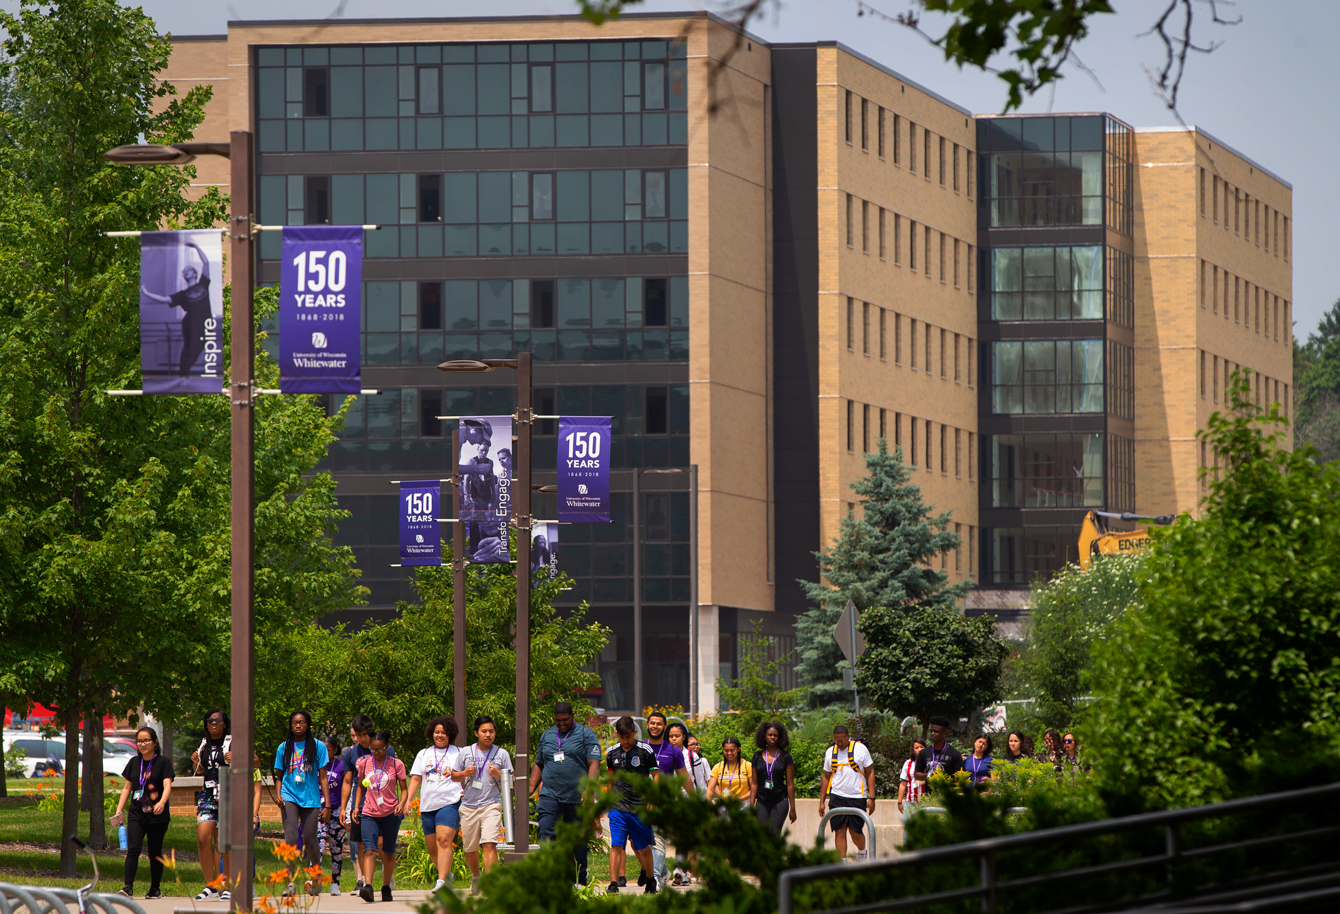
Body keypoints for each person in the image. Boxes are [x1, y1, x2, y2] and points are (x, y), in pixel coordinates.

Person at [529, 703, 602, 887]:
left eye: (565, 720)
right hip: (550, 794)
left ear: (573, 716)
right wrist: (531, 787)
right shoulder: (547, 735)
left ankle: (579, 879)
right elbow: (539, 763)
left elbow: (594, 763)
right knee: (546, 831)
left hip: (578, 797)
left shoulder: (586, 734)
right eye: (557, 720)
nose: (561, 724)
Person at [452, 715, 513, 895]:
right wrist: (464, 772)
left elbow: (511, 782)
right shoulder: (465, 752)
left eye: (491, 731)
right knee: (470, 849)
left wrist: (499, 775)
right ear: (476, 732)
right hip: (469, 806)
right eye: (484, 731)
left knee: (489, 844)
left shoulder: (502, 754)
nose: (488, 735)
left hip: (491, 804)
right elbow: (453, 776)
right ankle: (476, 877)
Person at [110, 727, 173, 899]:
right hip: (137, 813)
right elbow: (127, 787)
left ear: (155, 742)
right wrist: (119, 808)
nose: (142, 744)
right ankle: (128, 887)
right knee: (134, 849)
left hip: (157, 814)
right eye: (139, 741)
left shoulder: (163, 762)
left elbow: (167, 786)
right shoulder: (134, 762)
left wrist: (161, 802)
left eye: (146, 740)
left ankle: (155, 889)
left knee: (155, 852)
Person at [339, 714, 397, 895]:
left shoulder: (386, 749)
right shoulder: (351, 753)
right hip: (362, 805)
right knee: (363, 845)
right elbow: (348, 781)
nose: (363, 739)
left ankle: (386, 874)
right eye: (359, 735)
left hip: (384, 806)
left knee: (381, 844)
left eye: (366, 734)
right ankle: (366, 883)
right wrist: (343, 808)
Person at [273, 709, 331, 888]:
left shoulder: (318, 746)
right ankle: (290, 882)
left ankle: (316, 875)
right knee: (290, 838)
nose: (298, 725)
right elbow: (279, 776)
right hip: (289, 796)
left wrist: (327, 805)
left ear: (308, 725)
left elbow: (323, 777)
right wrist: (279, 794)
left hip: (311, 798)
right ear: (290, 726)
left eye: (302, 722)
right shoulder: (283, 747)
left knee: (310, 841)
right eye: (295, 723)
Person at [406, 716, 463, 893]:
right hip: (428, 806)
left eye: (444, 733)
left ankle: (442, 881)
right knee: (432, 848)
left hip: (450, 802)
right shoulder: (423, 754)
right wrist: (408, 800)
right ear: (432, 733)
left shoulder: (459, 753)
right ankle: (447, 874)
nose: (440, 735)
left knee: (444, 841)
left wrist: (465, 792)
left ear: (450, 734)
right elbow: (416, 778)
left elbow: (467, 774)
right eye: (437, 732)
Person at [604, 716, 659, 895]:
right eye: (621, 737)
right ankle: (613, 884)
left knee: (642, 847)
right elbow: (610, 781)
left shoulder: (645, 751)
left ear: (634, 733)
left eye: (628, 736)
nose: (625, 741)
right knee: (616, 845)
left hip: (639, 807)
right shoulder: (611, 753)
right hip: (618, 807)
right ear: (616, 735)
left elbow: (656, 777)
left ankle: (651, 881)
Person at [140, 238, 212, 375]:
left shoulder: (203, 284)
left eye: (188, 270)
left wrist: (196, 246)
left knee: (199, 347)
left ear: (194, 274)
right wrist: (147, 293)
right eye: (184, 271)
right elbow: (164, 300)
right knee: (188, 348)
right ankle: (183, 375)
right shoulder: (183, 295)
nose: (185, 271)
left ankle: (185, 372)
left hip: (205, 322)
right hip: (190, 323)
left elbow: (206, 263)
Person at [354, 731, 407, 903]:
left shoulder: (396, 764)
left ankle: (386, 887)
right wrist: (356, 807)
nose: (376, 753)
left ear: (387, 747)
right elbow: (361, 786)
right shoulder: (364, 763)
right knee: (370, 850)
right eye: (373, 749)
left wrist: (402, 804)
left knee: (389, 852)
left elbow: (404, 789)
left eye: (380, 750)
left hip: (391, 812)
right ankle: (368, 886)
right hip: (369, 812)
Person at [191, 709, 233, 901]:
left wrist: (237, 758)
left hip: (228, 792)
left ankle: (230, 885)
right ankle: (211, 885)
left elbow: (255, 762)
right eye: (209, 720)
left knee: (225, 842)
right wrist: (195, 762)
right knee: (202, 838)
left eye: (217, 720)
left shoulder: (233, 741)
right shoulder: (204, 743)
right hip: (208, 794)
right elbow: (200, 770)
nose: (213, 722)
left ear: (224, 723)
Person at [643, 712, 688, 888]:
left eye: (659, 724)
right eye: (652, 723)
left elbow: (685, 778)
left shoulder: (673, 751)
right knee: (639, 842)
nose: (655, 726)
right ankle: (663, 872)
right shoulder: (639, 747)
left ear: (664, 727)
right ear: (647, 725)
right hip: (640, 802)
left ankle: (654, 878)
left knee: (658, 839)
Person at [819, 725, 875, 862]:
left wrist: (872, 797)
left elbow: (870, 772)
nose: (840, 743)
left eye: (842, 740)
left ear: (848, 737)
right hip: (837, 796)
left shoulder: (860, 749)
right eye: (837, 741)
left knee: (855, 832)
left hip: (857, 796)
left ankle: (862, 852)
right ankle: (841, 864)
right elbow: (826, 776)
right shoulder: (830, 752)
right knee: (839, 831)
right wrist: (821, 801)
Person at [751, 721, 797, 835]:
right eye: (770, 735)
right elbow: (754, 783)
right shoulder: (757, 756)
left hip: (780, 801)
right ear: (764, 736)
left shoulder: (786, 756)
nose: (772, 737)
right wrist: (752, 805)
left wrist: (793, 808)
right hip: (762, 801)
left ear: (780, 737)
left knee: (773, 834)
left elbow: (790, 783)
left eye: (775, 735)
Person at [318, 737, 346, 895]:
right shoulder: (315, 766)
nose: (323, 753)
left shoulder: (341, 766)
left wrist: (343, 810)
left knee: (336, 849)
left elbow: (345, 789)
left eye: (327, 750)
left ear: (335, 750)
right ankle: (316, 878)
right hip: (318, 810)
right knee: (318, 846)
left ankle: (335, 882)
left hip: (336, 811)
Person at [915, 716, 965, 784]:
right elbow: (917, 775)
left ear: (944, 733)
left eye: (936, 731)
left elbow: (960, 778)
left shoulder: (954, 754)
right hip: (929, 794)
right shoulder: (924, 752)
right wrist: (929, 775)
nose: (932, 733)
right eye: (931, 731)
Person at [896, 738, 926, 820]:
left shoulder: (928, 763)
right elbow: (903, 783)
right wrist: (899, 801)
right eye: (916, 748)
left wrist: (922, 781)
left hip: (925, 802)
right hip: (910, 801)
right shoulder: (908, 763)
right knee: (908, 829)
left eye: (921, 747)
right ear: (913, 750)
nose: (919, 750)